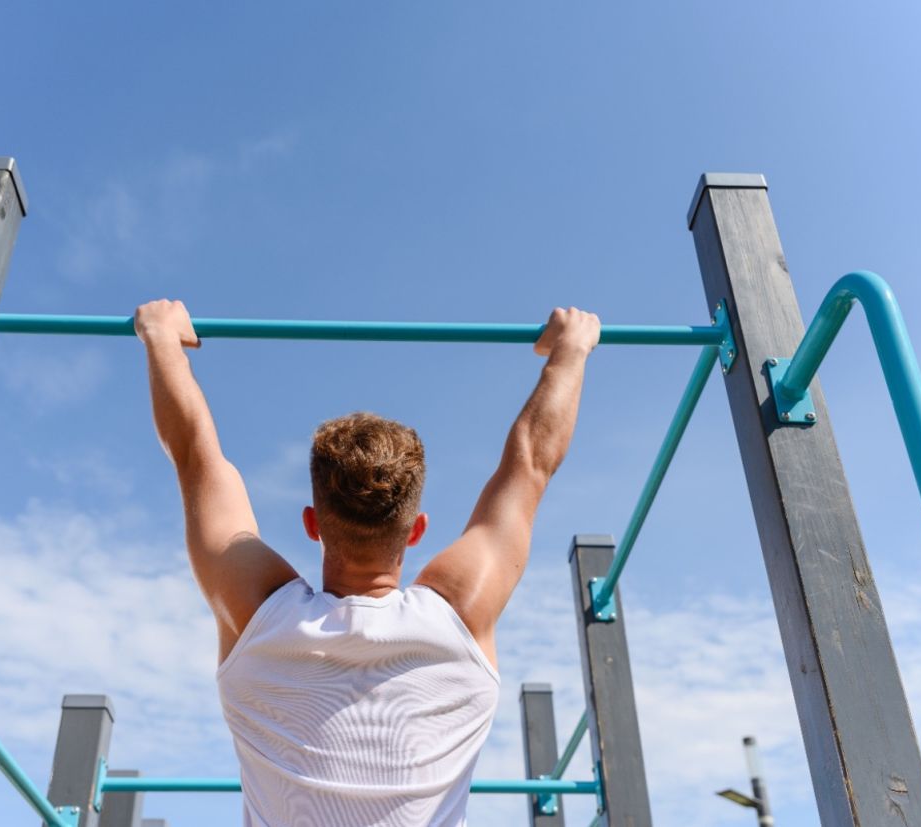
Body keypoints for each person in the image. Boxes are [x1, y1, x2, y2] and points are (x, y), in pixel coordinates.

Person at [135, 301, 600, 827]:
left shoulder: (258, 615)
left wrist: (160, 337)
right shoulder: (459, 614)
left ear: (311, 523)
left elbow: (196, 456)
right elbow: (531, 462)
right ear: (417, 529)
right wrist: (572, 349)